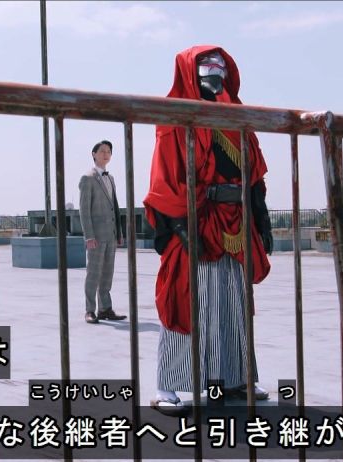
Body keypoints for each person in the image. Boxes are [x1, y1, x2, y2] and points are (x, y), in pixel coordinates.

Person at [143, 46, 274, 412]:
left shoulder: (237, 116)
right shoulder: (174, 117)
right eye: (206, 64)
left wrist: (261, 219)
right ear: (189, 71)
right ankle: (168, 387)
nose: (215, 70)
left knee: (235, 305)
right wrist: (181, 230)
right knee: (186, 303)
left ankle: (235, 380)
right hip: (195, 220)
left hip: (235, 224)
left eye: (220, 65)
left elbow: (254, 176)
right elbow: (165, 181)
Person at [79, 140, 127, 324]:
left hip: (111, 235)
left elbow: (115, 207)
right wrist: (89, 236)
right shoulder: (87, 178)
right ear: (94, 154)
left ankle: (105, 309)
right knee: (93, 273)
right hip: (96, 237)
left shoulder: (110, 178)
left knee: (107, 273)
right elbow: (84, 210)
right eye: (102, 151)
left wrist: (119, 233)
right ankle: (89, 310)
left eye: (108, 151)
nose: (106, 154)